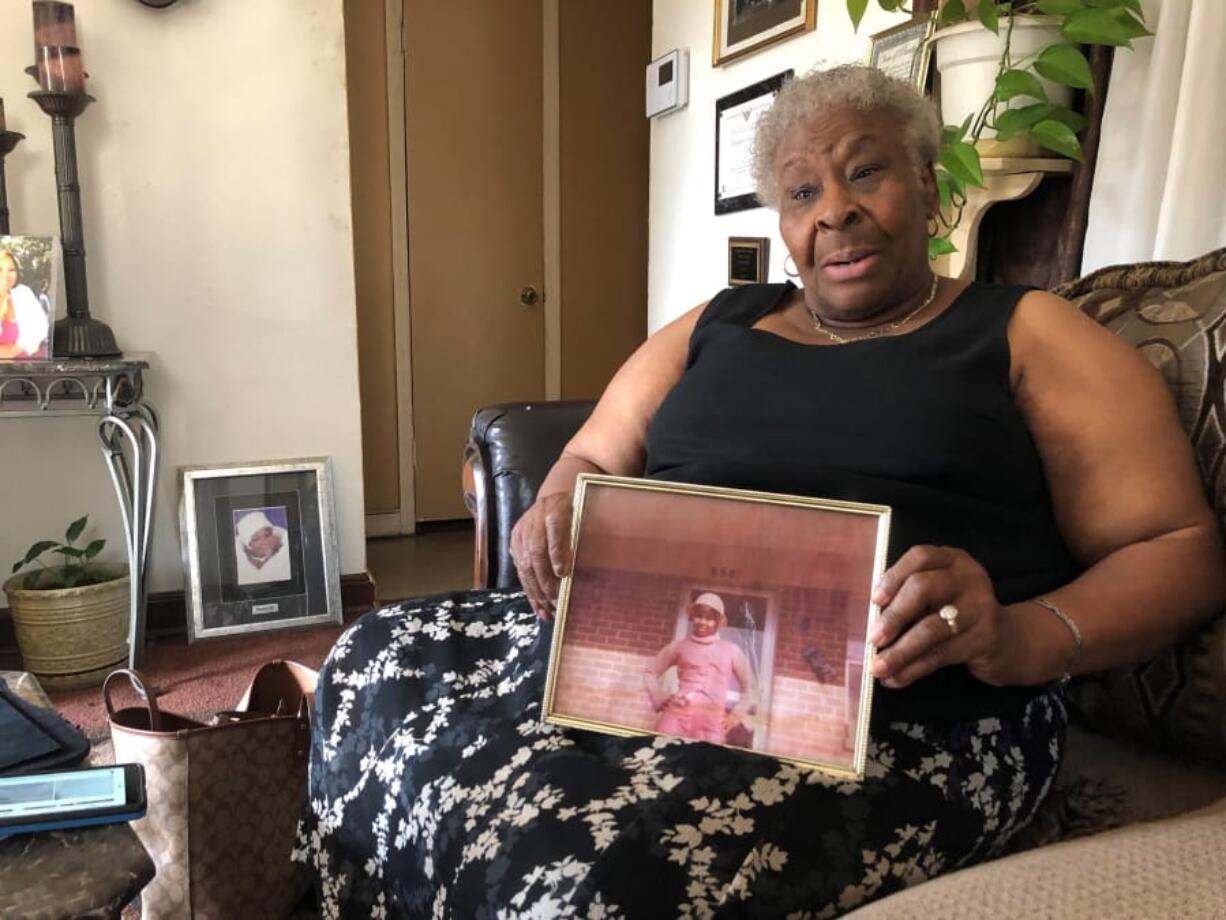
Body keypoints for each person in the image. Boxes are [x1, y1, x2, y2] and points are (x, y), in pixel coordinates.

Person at [296, 65, 1226, 917]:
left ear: (933, 190)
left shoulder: (1026, 332)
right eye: (803, 192)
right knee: (371, 655)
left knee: (584, 868)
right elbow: (593, 455)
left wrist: (1021, 637)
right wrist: (552, 506)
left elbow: (1177, 550)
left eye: (867, 174)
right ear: (781, 223)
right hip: (639, 662)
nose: (836, 212)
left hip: (899, 712)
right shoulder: (718, 322)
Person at [643, 592, 757, 744]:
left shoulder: (731, 651)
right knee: (662, 755)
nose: (702, 622)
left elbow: (750, 687)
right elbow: (650, 672)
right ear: (692, 617)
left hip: (710, 723)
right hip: (675, 716)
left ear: (718, 622)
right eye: (699, 616)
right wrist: (659, 697)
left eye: (709, 618)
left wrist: (736, 715)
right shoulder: (679, 646)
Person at [0, 249, 50, 360]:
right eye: (0, 270)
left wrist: (13, 351)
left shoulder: (23, 292)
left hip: (30, 361)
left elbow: (41, 327)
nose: (6, 275)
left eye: (11, 270)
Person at [233, 509, 291, 585]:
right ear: (249, 546)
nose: (264, 542)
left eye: (267, 535)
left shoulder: (284, 549)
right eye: (256, 539)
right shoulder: (242, 559)